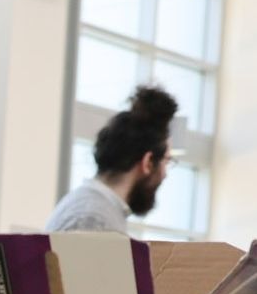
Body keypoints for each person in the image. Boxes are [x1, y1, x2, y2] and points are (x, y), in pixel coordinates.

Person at [45, 86, 177, 232]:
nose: (165, 174)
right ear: (148, 162)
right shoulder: (96, 220)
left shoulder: (93, 208)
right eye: (167, 161)